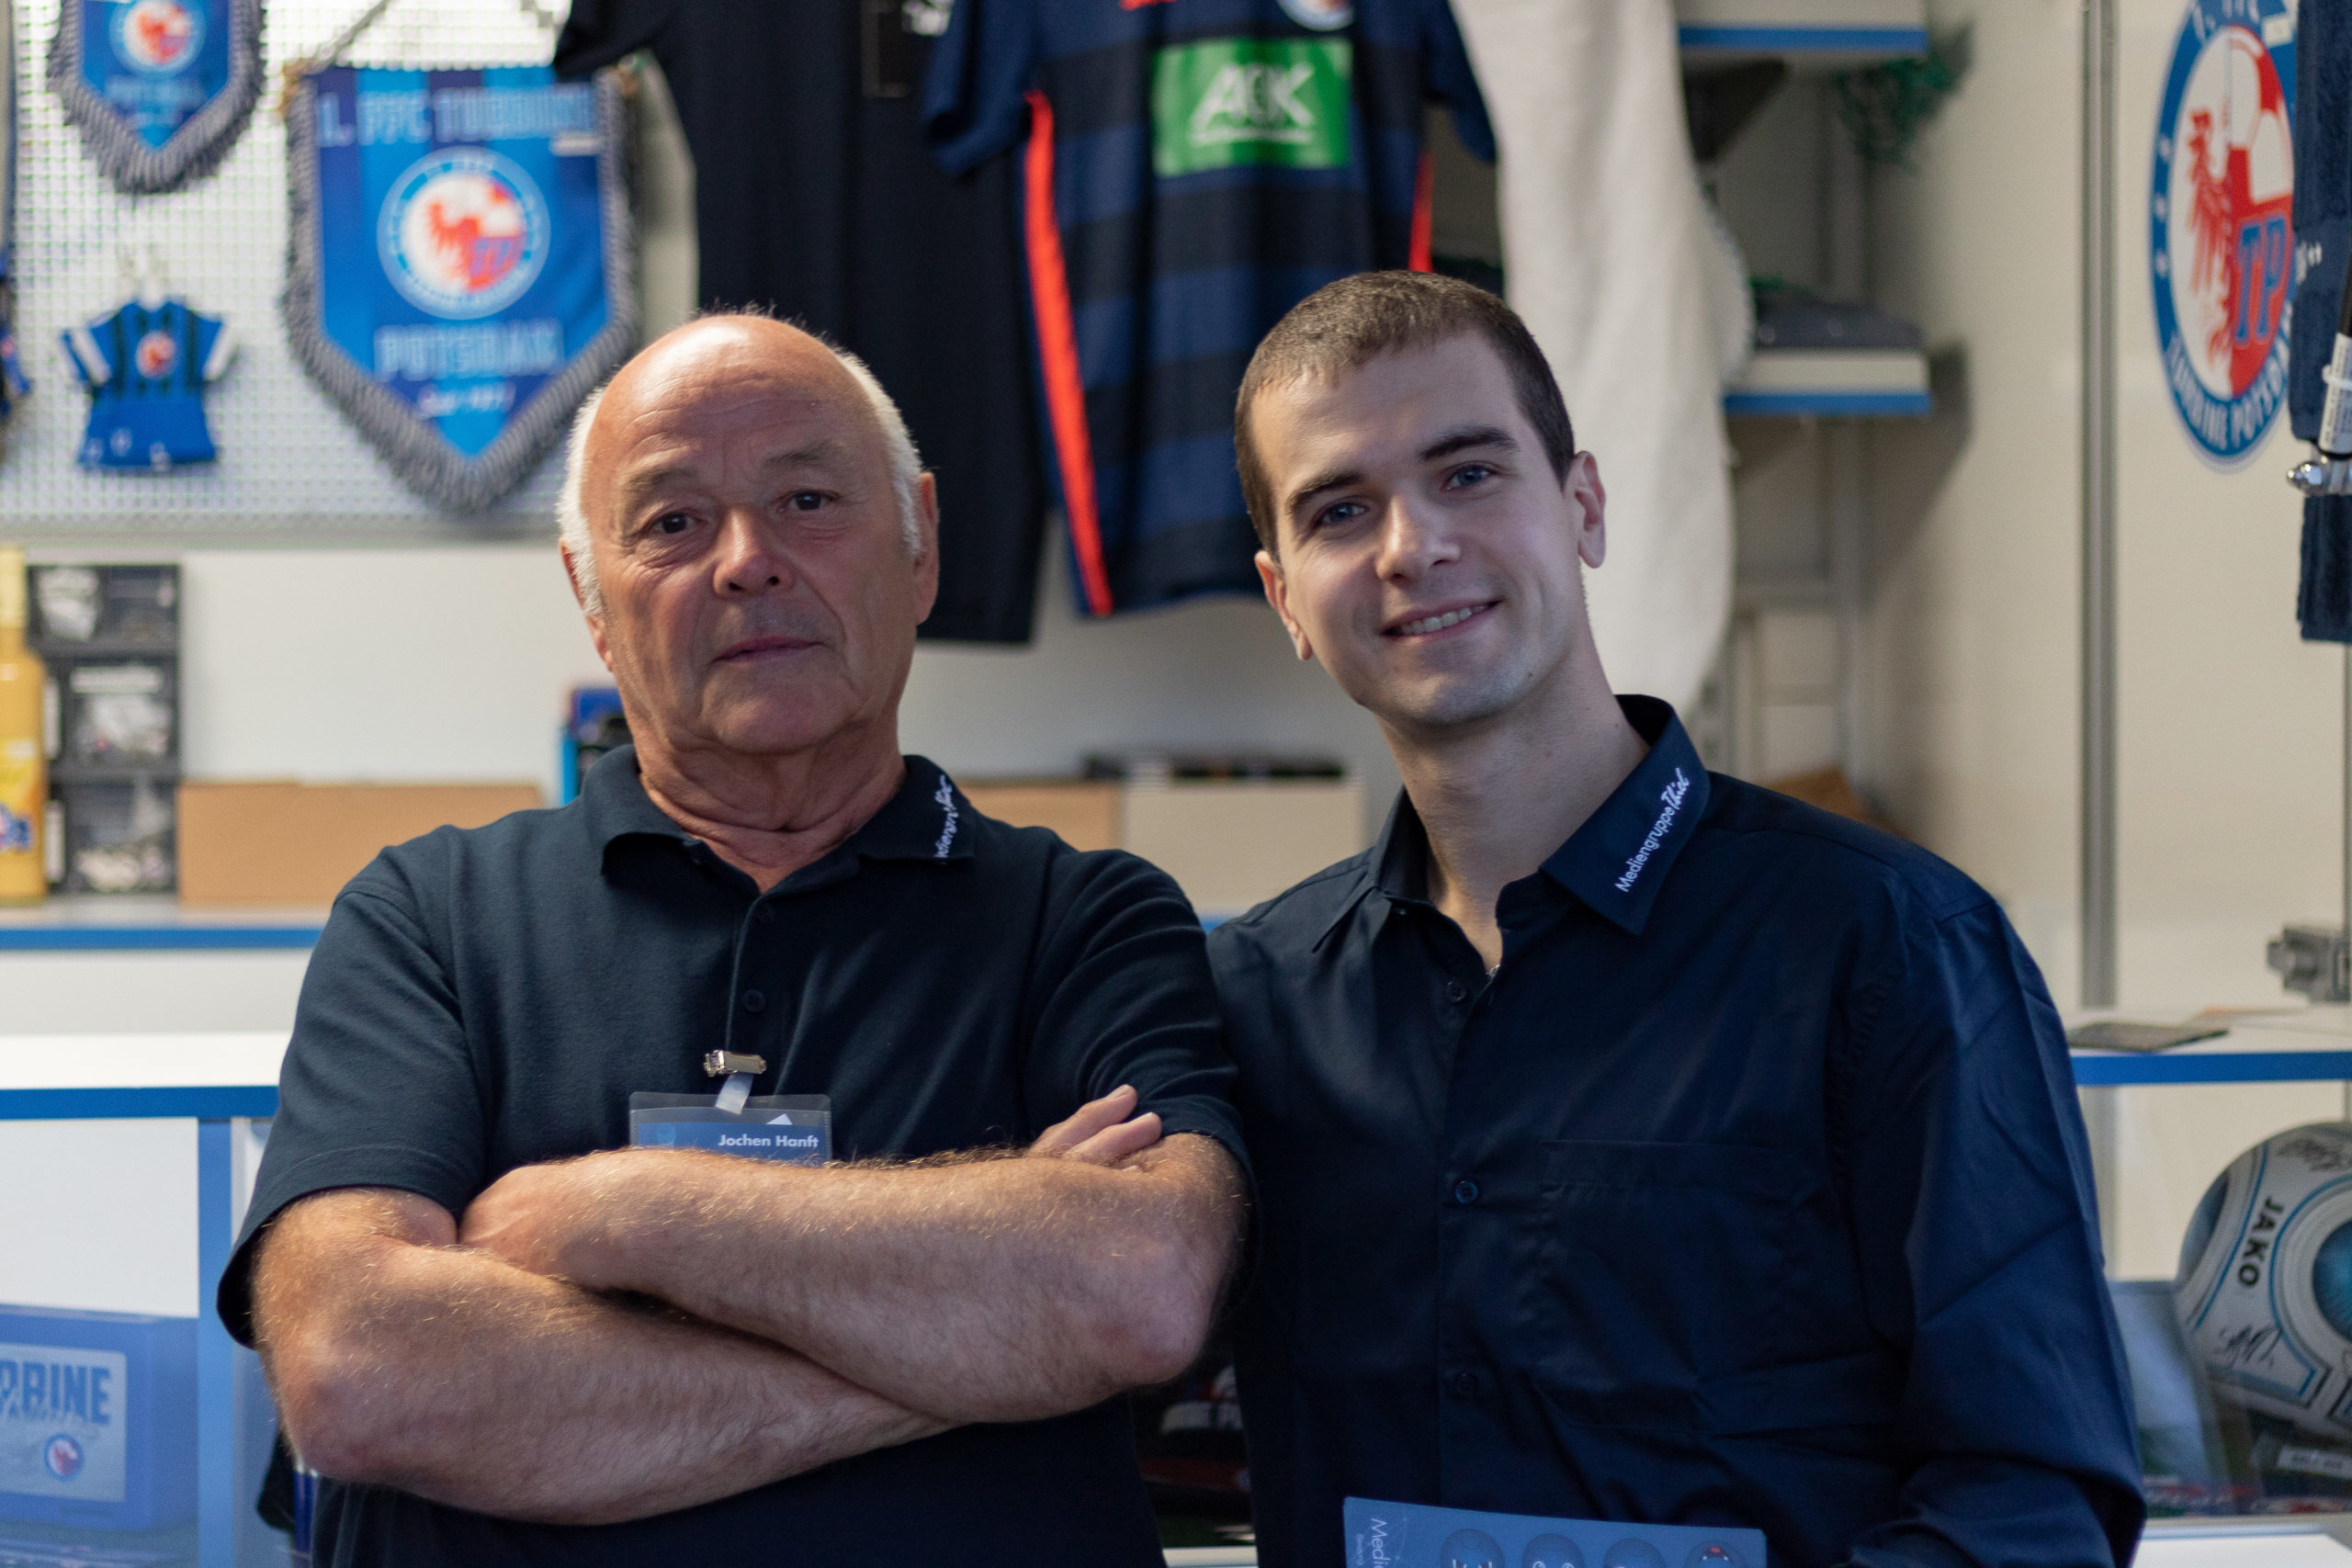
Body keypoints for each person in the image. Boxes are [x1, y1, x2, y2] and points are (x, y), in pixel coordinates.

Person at [220, 313, 1248, 1568]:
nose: (749, 562)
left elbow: (1138, 1289)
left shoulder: (1088, 921)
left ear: (919, 545)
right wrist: (981, 1345)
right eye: (672, 522)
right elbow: (365, 1374)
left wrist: (625, 1213)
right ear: (591, 600)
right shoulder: (425, 917)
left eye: (808, 500)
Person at [1206, 271, 2143, 1568]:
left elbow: (2034, 1500)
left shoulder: (1891, 950)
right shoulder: (1252, 1000)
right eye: (1339, 509)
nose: (1412, 545)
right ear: (1285, 600)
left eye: (1469, 473)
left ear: (1584, 507)